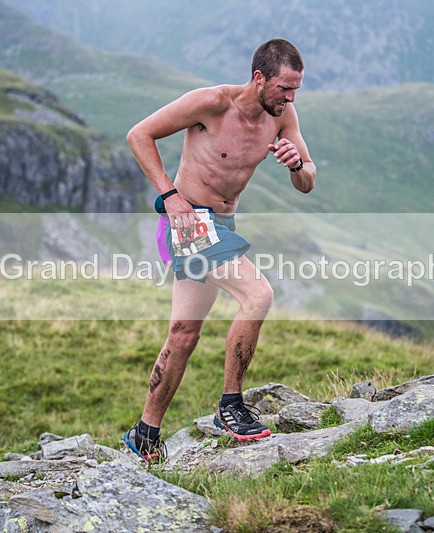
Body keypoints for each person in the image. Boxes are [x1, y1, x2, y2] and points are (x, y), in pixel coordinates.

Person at [124, 38, 316, 463]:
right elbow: (139, 135)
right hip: (188, 223)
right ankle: (231, 406)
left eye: (296, 89)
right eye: (285, 88)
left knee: (183, 335)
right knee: (259, 294)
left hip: (221, 226)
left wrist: (297, 165)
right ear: (259, 77)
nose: (291, 97)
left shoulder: (282, 117)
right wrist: (171, 196)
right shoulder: (211, 103)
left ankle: (145, 433)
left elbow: (308, 182)